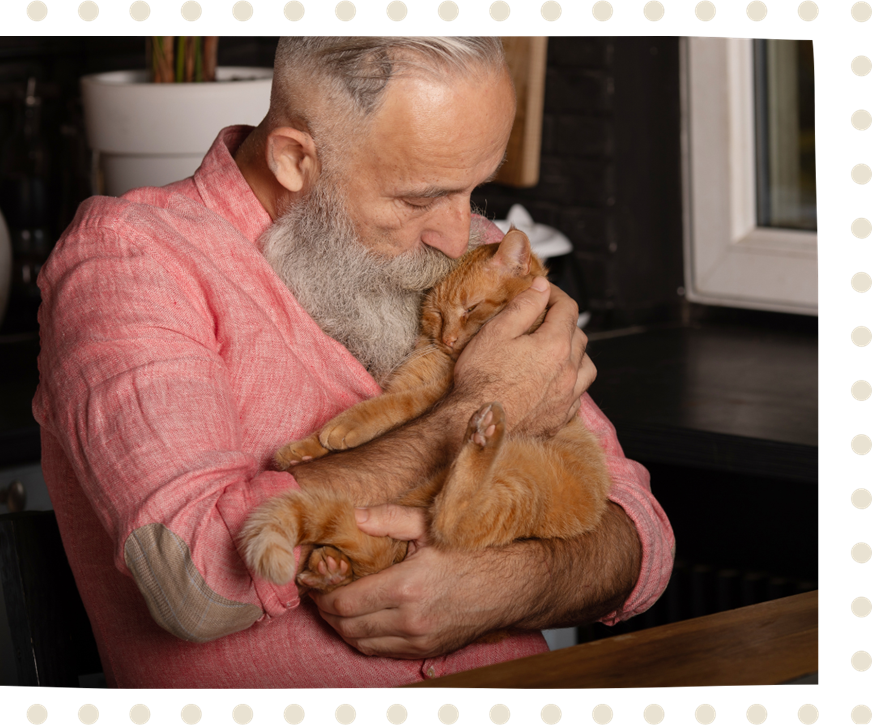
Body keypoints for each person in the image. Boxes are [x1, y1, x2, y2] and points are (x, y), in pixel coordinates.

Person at [33, 36, 674, 688]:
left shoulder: (473, 256)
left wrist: (505, 586)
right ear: (294, 159)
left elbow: (639, 536)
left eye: (475, 189)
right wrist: (478, 411)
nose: (462, 236)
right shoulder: (132, 258)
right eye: (418, 199)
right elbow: (193, 583)